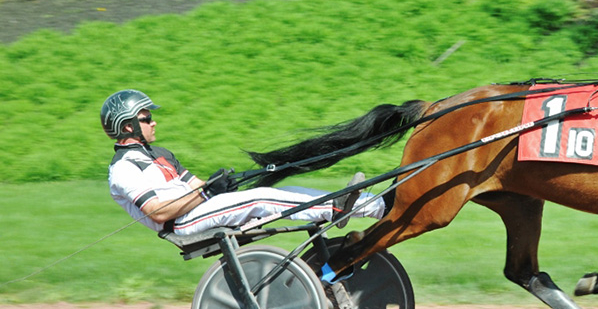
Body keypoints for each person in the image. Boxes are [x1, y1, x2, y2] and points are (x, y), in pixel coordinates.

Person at [101, 89, 385, 237]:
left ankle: (379, 204)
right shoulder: (123, 169)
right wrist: (207, 193)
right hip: (181, 223)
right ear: (126, 127)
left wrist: (219, 185)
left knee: (278, 189)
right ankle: (335, 207)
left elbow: (197, 185)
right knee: (261, 198)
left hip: (199, 210)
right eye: (145, 118)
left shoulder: (160, 152)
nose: (153, 122)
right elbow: (158, 213)